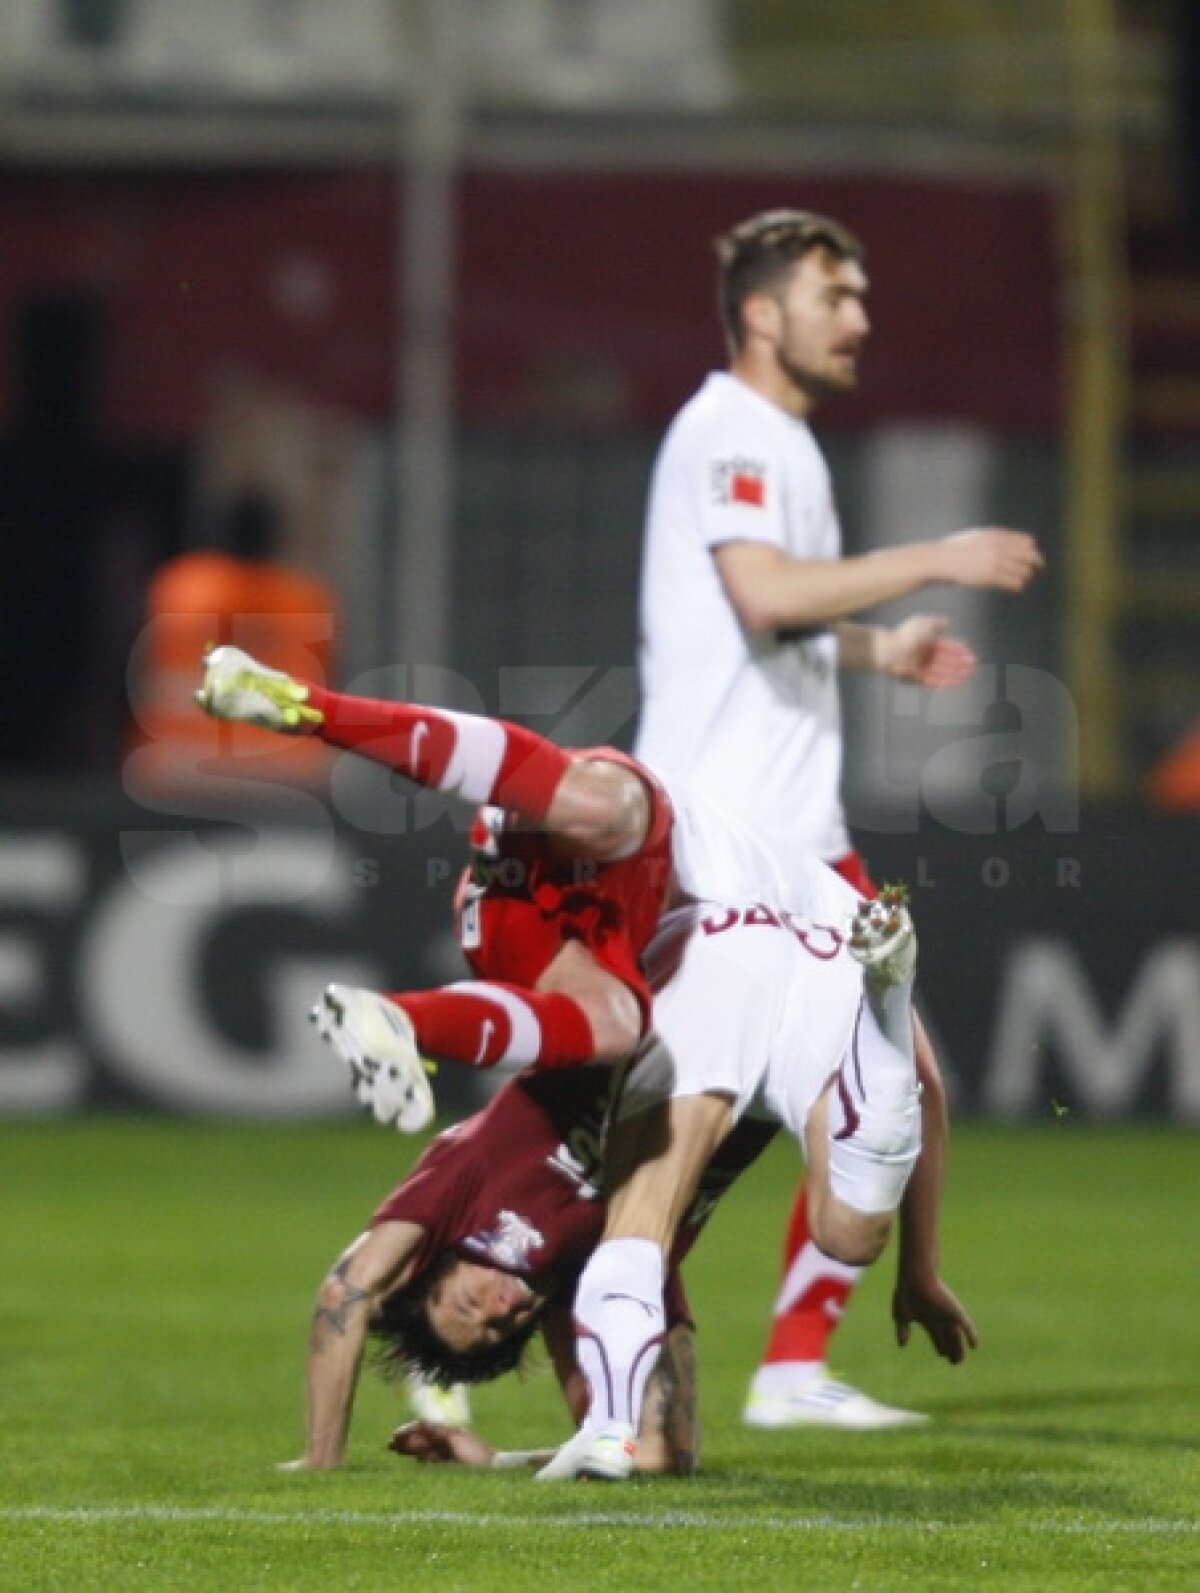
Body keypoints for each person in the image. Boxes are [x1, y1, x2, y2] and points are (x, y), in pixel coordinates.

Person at [634, 207, 1043, 1431]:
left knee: (903, 1081)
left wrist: (878, 647)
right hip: (721, 835)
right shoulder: (727, 431)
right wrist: (940, 555)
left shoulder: (787, 448)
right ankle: (492, 1296)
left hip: (800, 832)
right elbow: (759, 595)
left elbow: (774, 615)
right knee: (668, 1122)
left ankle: (799, 1359)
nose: (860, 318)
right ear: (764, 314)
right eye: (836, 296)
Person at [277, 1062, 778, 1475]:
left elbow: (347, 1290)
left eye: (468, 1301)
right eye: (499, 1329)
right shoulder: (615, 1282)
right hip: (767, 1091)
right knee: (844, 1231)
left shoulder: (470, 1173)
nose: (499, 1307)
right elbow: (662, 1456)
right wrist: (498, 1462)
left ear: (440, 1258)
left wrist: (322, 1459)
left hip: (685, 1029)